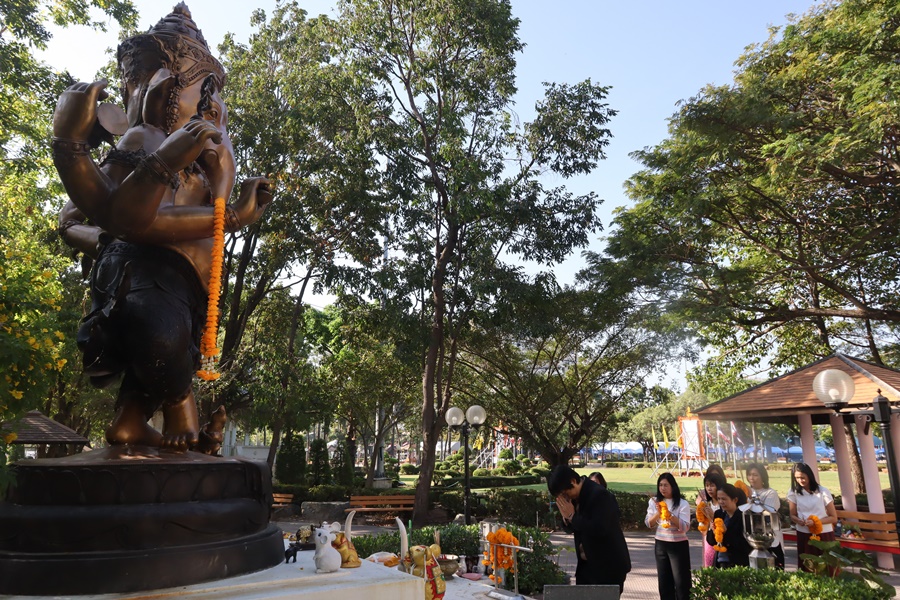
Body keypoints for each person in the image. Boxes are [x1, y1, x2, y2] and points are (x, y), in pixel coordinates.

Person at [51, 4, 273, 451]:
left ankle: (137, 421)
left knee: (153, 357)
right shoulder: (144, 140)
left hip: (174, 279)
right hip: (137, 275)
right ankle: (180, 405)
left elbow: (117, 220)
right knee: (156, 334)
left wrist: (227, 205)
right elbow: (122, 217)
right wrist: (70, 148)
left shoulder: (202, 165)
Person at [548, 466, 631, 592]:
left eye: (565, 493)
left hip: (608, 567)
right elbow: (571, 528)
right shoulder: (573, 498)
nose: (565, 498)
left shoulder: (599, 495)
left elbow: (600, 528)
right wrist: (567, 518)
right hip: (586, 568)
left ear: (573, 481)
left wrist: (572, 516)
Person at [645, 473, 691, 600]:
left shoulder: (682, 504)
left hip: (678, 545)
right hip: (661, 544)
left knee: (681, 582)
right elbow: (648, 523)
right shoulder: (654, 502)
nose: (662, 488)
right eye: (660, 485)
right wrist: (658, 513)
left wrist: (670, 515)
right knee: (664, 582)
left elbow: (685, 527)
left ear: (673, 486)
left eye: (666, 485)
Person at [787, 462, 837, 571]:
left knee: (827, 568)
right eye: (797, 478)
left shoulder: (823, 491)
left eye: (803, 477)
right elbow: (792, 515)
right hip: (804, 533)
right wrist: (798, 520)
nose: (800, 481)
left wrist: (816, 522)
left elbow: (833, 517)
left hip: (823, 534)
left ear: (809, 476)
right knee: (807, 568)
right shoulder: (793, 492)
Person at [745, 462, 784, 569]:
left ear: (762, 476)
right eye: (749, 475)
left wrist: (750, 500)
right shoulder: (746, 492)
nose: (751, 478)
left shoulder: (770, 493)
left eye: (755, 475)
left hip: (770, 539)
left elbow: (766, 513)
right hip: (752, 539)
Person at [706, 483, 751, 568]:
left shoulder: (743, 517)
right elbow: (711, 541)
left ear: (735, 500)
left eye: (724, 499)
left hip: (737, 563)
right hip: (720, 561)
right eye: (718, 499)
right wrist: (712, 531)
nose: (721, 502)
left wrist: (726, 532)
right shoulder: (718, 514)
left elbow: (744, 545)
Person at [698, 471, 725, 567]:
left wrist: (713, 516)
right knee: (709, 567)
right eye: (707, 485)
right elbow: (703, 529)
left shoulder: (724, 504)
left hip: (722, 542)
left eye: (712, 485)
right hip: (709, 541)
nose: (709, 488)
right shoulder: (706, 505)